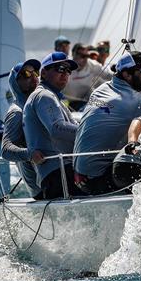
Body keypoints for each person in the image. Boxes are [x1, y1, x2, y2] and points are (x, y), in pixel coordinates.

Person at [73, 50, 141, 195]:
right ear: (126, 74)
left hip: (79, 178)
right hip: (100, 180)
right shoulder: (137, 102)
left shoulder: (100, 90)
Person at [23, 52, 83, 199]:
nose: (65, 74)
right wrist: (90, 134)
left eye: (68, 71)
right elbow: (57, 128)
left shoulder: (53, 97)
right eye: (60, 69)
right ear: (44, 72)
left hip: (60, 172)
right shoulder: (44, 95)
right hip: (59, 173)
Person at [2, 59, 45, 199]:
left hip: (52, 177)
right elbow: (6, 149)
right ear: (15, 82)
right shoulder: (16, 112)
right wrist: (30, 154)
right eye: (26, 74)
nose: (33, 77)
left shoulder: (38, 104)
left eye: (35, 72)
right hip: (41, 189)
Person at [62, 43, 112, 111]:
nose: (85, 59)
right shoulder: (65, 65)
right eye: (82, 56)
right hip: (66, 102)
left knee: (108, 109)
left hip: (86, 102)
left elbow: (109, 75)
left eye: (86, 56)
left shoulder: (93, 65)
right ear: (73, 54)